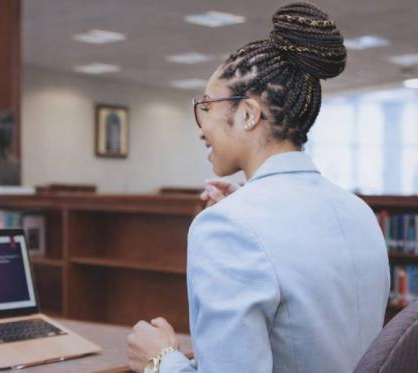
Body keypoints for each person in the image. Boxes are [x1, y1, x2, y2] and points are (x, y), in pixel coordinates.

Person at [126, 2, 390, 372]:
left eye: (206, 105)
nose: (201, 127)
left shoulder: (226, 227)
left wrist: (158, 360)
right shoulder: (360, 211)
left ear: (248, 114)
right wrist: (244, 208)